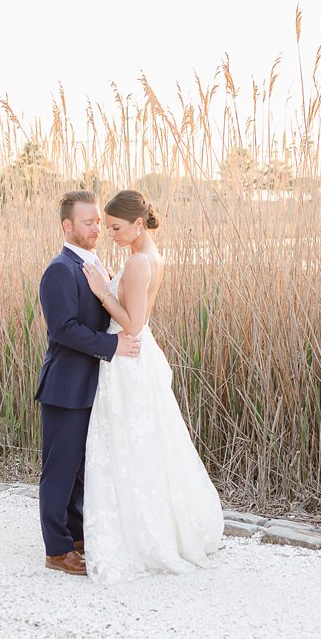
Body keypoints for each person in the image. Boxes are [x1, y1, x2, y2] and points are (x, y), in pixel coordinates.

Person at [78, 189, 223, 582]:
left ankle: (139, 534)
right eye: (106, 227)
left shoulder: (141, 261)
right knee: (140, 444)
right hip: (134, 357)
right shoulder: (145, 254)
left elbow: (133, 324)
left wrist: (102, 292)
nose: (110, 233)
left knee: (129, 443)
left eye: (116, 227)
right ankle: (145, 523)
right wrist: (113, 282)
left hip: (129, 357)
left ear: (137, 224)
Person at [34, 189, 141, 575]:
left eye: (99, 221)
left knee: (83, 468)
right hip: (66, 387)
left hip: (94, 386)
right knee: (60, 468)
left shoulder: (97, 265)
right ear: (68, 225)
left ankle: (77, 536)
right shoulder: (59, 270)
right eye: (88, 222)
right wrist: (112, 345)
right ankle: (56, 549)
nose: (97, 227)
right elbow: (63, 329)